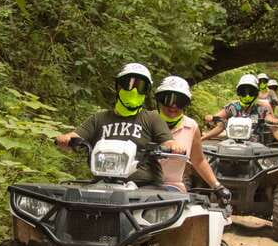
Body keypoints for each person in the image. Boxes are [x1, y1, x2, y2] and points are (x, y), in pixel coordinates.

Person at [56, 63, 186, 185]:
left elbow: (167, 141)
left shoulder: (152, 118)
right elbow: (75, 135)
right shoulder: (98, 119)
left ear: (146, 92)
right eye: (128, 84)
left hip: (145, 186)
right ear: (118, 87)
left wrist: (173, 146)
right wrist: (65, 139)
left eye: (140, 87)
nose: (134, 90)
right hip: (103, 183)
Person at [154, 76, 230, 201]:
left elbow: (199, 160)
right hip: (142, 185)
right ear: (159, 100)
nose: (173, 105)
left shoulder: (191, 126)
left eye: (180, 101)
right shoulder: (147, 120)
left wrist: (217, 187)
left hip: (173, 189)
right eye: (168, 99)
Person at [202, 74, 278, 152]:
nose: (247, 96)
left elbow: (273, 126)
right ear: (239, 93)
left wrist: (276, 122)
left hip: (256, 147)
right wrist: (211, 118)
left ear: (255, 93)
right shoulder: (232, 107)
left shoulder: (262, 109)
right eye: (243, 92)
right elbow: (219, 120)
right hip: (231, 144)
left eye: (250, 92)